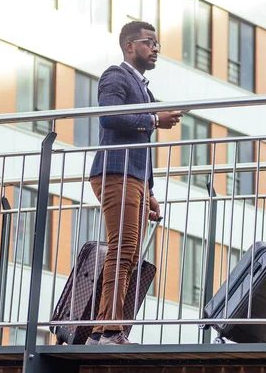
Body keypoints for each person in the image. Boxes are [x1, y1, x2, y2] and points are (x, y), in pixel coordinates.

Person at [86, 21, 183, 345]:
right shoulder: (116, 75)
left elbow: (142, 144)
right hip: (116, 173)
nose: (155, 49)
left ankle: (105, 330)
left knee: (128, 254)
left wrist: (150, 191)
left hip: (135, 178)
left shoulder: (145, 89)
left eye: (157, 44)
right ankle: (109, 330)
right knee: (123, 250)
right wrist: (154, 119)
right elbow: (109, 116)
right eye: (149, 42)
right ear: (130, 46)